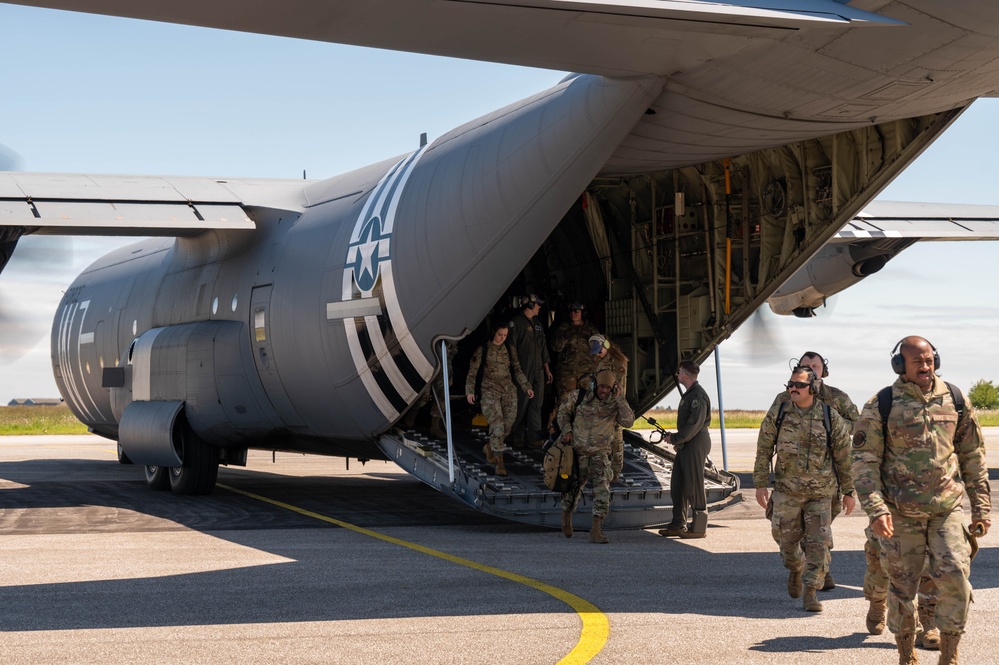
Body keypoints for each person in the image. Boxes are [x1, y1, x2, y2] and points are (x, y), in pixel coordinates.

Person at [852, 336, 990, 664]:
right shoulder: (882, 404)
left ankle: (949, 654)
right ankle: (905, 653)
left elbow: (973, 455)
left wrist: (981, 506)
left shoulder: (955, 399)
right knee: (902, 587)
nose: (925, 366)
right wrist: (876, 509)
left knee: (956, 574)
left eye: (929, 360)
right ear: (900, 366)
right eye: (918, 362)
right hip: (899, 513)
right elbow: (863, 461)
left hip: (946, 509)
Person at [753, 366, 856, 613]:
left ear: (813, 388)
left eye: (798, 385)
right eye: (790, 384)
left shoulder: (830, 417)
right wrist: (759, 483)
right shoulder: (780, 412)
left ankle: (811, 592)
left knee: (819, 544)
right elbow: (764, 446)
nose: (793, 389)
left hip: (821, 492)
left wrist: (849, 491)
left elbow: (844, 457)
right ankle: (796, 568)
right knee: (785, 541)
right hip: (787, 490)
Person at [557, 369, 634, 543]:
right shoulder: (579, 397)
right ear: (595, 385)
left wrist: (620, 398)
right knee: (572, 489)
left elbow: (629, 421)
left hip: (600, 454)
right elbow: (562, 413)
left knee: (602, 490)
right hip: (578, 452)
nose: (604, 390)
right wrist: (567, 431)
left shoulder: (614, 403)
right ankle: (567, 514)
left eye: (608, 387)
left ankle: (596, 529)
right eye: (601, 386)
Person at [465, 322, 534, 476]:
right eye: (499, 335)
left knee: (507, 425)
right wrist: (469, 391)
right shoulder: (483, 350)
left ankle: (490, 446)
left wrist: (526, 386)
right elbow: (472, 373)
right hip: (490, 392)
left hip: (509, 391)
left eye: (505, 335)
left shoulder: (510, 349)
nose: (502, 338)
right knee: (497, 426)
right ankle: (499, 461)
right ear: (493, 334)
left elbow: (517, 369)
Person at [658, 360, 712, 539]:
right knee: (678, 484)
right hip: (688, 443)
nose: (678, 374)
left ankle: (698, 527)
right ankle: (677, 524)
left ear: (686, 376)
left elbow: (694, 425)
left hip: (695, 443)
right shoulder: (690, 394)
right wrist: (678, 439)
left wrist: (676, 438)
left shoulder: (697, 396)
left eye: (680, 372)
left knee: (694, 484)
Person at [509, 293, 553, 448]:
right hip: (523, 368)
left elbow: (543, 349)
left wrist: (547, 369)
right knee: (521, 402)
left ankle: (534, 437)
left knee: (536, 404)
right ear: (529, 305)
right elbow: (511, 348)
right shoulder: (516, 323)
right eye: (538, 304)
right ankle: (517, 435)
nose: (540, 307)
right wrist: (516, 370)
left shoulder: (538, 324)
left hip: (538, 369)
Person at [588, 334, 630, 480]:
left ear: (606, 345)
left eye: (599, 351)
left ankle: (616, 472)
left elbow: (619, 387)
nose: (598, 354)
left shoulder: (618, 362)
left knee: (616, 440)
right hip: (600, 403)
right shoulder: (599, 360)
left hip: (613, 404)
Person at [401, 339, 457, 439]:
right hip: (429, 360)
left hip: (445, 363)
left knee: (442, 396)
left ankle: (435, 426)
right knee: (423, 395)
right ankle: (413, 413)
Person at [550, 301, 600, 409]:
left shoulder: (591, 329)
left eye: (576, 311)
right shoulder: (564, 328)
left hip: (586, 371)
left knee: (587, 401)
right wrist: (565, 336)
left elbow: (598, 348)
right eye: (571, 311)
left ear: (583, 313)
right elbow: (555, 347)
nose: (573, 313)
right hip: (567, 371)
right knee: (565, 401)